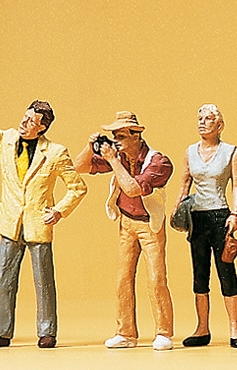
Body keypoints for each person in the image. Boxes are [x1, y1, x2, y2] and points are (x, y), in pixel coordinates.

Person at [0, 83, 86, 349]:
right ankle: (0, 330)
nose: (24, 122)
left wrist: (58, 211)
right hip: (11, 223)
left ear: (42, 128)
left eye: (31, 121)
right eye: (25, 116)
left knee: (44, 282)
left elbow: (78, 187)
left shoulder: (55, 153)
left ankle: (47, 331)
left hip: (38, 224)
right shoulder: (7, 140)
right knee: (3, 280)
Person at [73, 111, 175, 351]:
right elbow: (79, 166)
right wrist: (90, 146)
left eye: (120, 136)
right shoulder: (118, 156)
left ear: (136, 136)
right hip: (126, 224)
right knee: (122, 280)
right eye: (113, 136)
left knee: (156, 279)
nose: (115, 141)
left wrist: (113, 160)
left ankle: (163, 332)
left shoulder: (159, 162)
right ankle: (125, 333)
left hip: (150, 226)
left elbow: (132, 189)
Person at [172, 104, 237, 348]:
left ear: (219, 125)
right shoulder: (190, 151)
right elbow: (185, 183)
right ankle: (202, 327)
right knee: (200, 273)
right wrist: (178, 207)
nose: (202, 122)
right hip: (197, 217)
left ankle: (234, 328)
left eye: (208, 118)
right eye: (200, 118)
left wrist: (235, 214)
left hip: (220, 216)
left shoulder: (231, 152)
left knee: (226, 271)